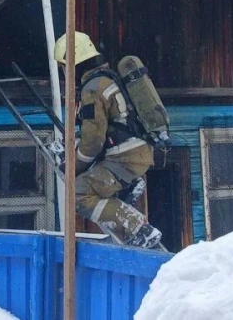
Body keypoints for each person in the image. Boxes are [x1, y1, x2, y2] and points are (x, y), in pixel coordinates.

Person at [53, 31, 169, 249]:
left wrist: (73, 165)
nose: (63, 73)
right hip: (137, 152)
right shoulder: (108, 78)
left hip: (123, 158)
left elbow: (93, 142)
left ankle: (138, 227)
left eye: (63, 66)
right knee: (91, 176)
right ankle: (130, 184)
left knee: (78, 192)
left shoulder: (92, 89)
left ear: (73, 61)